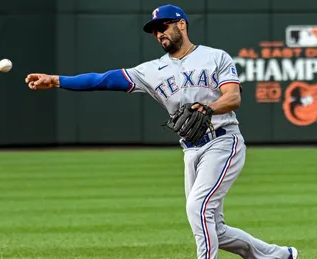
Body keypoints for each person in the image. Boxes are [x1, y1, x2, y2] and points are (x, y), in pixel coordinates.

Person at [24, 4, 299, 259]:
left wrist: (208, 108)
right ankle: (279, 255)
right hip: (191, 150)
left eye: (163, 26)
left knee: (197, 209)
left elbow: (233, 97)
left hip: (223, 141)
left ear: (181, 24)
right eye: (154, 30)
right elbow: (103, 79)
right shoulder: (152, 70)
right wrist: (57, 80)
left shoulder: (215, 57)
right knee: (215, 227)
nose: (158, 33)